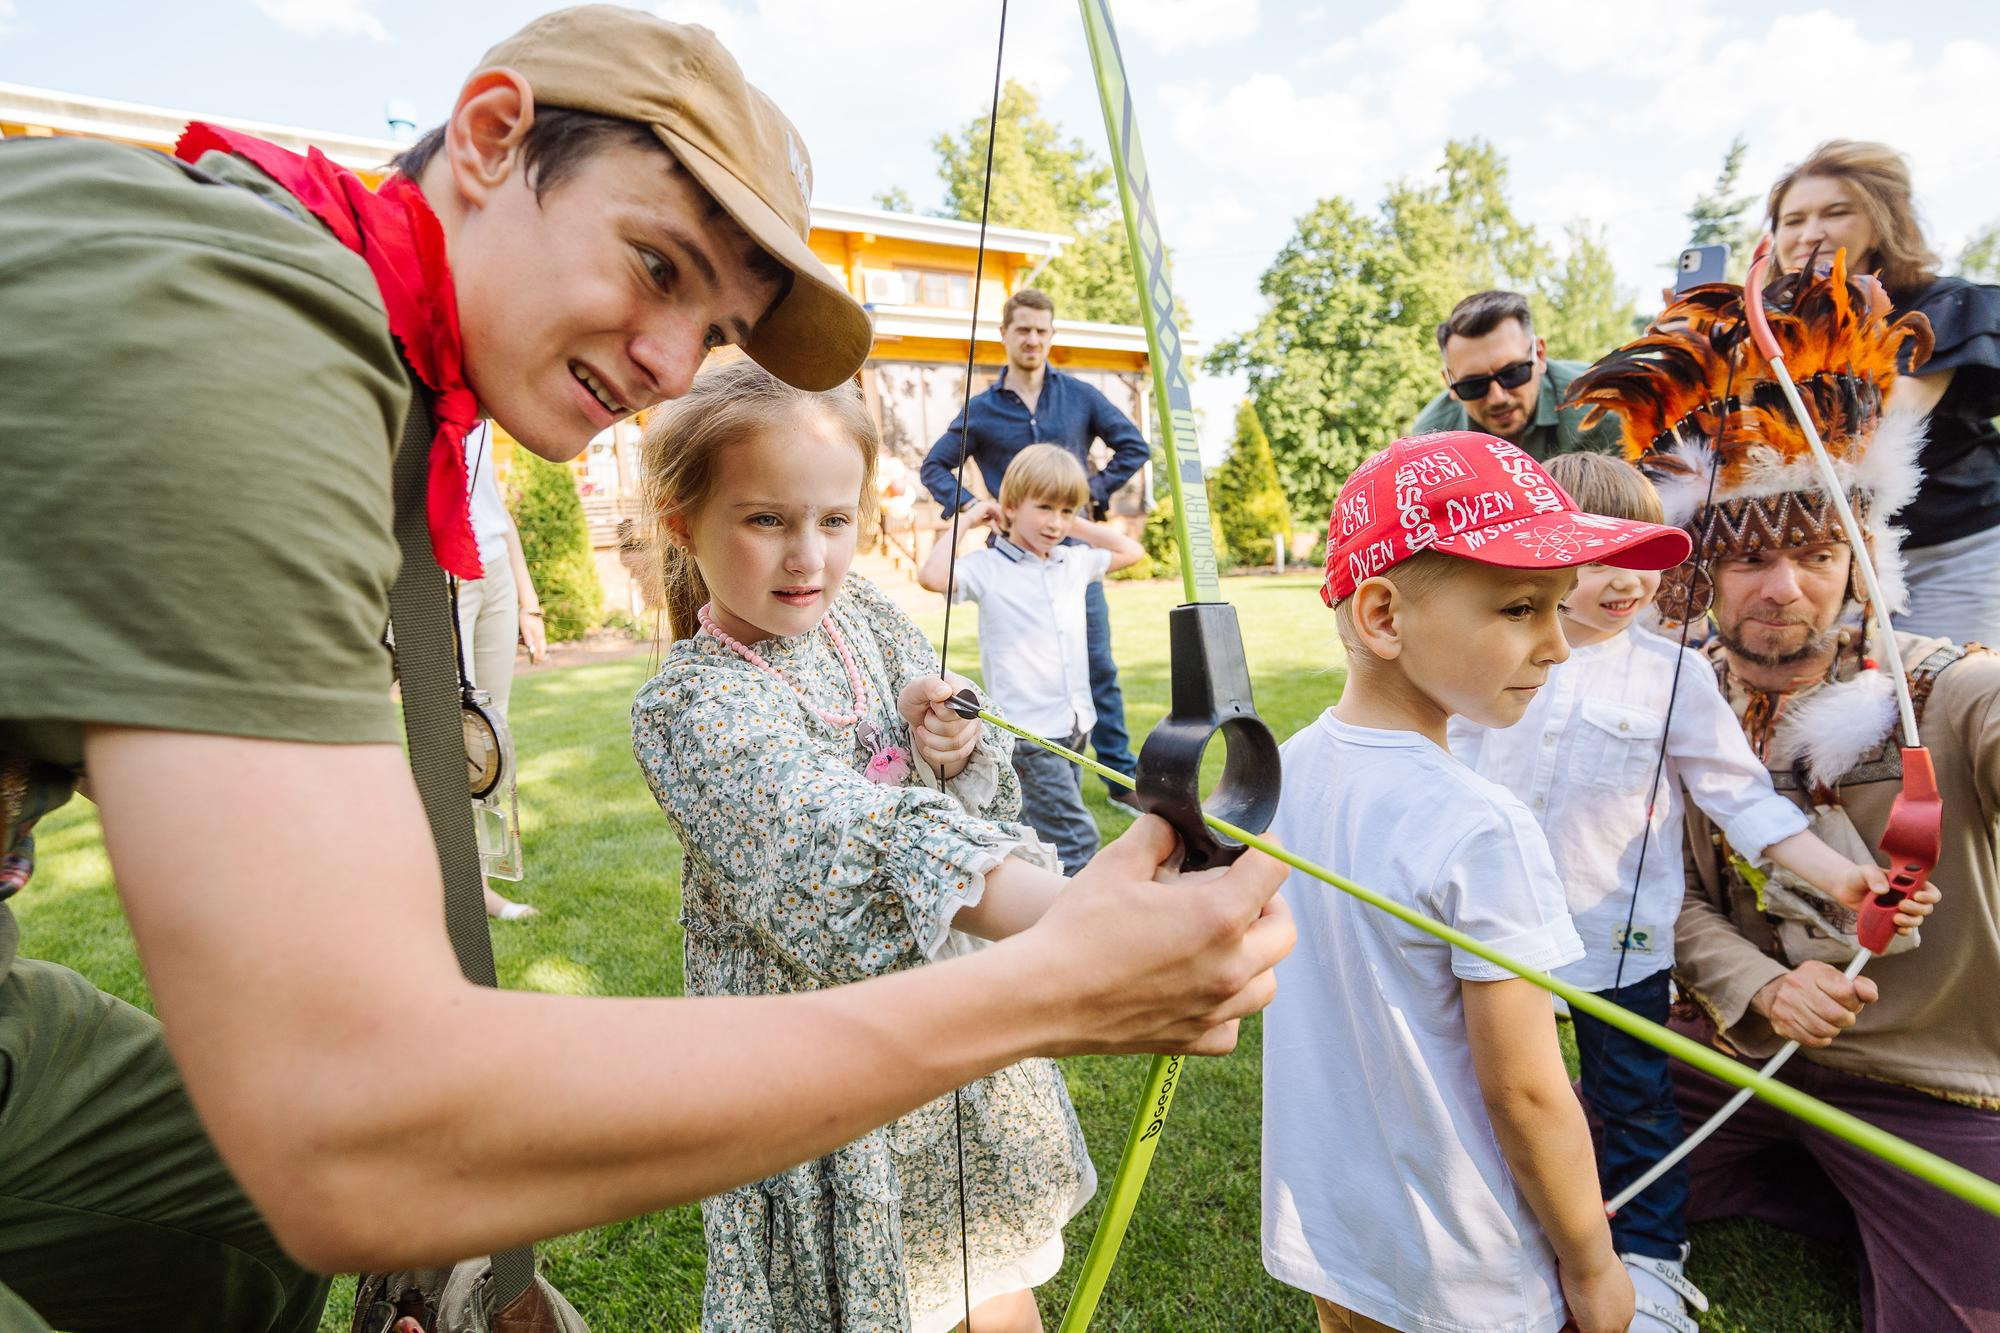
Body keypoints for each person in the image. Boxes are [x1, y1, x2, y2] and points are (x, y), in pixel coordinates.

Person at [0, 9, 1294, 1330]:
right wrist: (1056, 979)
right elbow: (353, 1116)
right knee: (295, 1182)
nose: (671, 364)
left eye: (712, 324)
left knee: (237, 1227)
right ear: (496, 138)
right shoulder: (232, 333)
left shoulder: (375, 392)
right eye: (658, 266)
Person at [1569, 261, 2000, 1331]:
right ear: (1695, 578)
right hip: (1725, 1057)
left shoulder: (1947, 692)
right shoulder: (1671, 705)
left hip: (1934, 1083)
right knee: (1539, 1187)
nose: (1782, 587)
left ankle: (1851, 1193)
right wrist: (1760, 986)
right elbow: (1646, 898)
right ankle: (1811, 1186)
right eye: (1747, 557)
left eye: (1814, 552)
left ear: (1857, 561)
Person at [633, 361, 1094, 1333]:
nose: (807, 556)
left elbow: (957, 748)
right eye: (765, 520)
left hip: (950, 1045)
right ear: (684, 524)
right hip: (823, 1077)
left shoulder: (863, 619)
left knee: (987, 1272)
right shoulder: (690, 704)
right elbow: (837, 833)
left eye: (833, 520)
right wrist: (1078, 922)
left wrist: (952, 734)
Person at [1450, 451, 1925, 1333]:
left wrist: (1844, 876)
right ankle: (1500, 1242)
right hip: (1489, 935)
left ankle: (1652, 1263)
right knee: (1490, 1090)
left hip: (1615, 944)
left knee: (1632, 1101)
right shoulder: (1484, 661)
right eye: (1593, 557)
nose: (1628, 578)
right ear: (1534, 557)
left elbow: (1742, 799)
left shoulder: (1676, 675)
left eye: (1643, 551)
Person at [1264, 430, 1693, 1333]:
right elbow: (1528, 1092)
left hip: (1338, 1236)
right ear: (1383, 617)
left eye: (1557, 607)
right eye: (1520, 609)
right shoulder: (1483, 825)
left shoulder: (1289, 766)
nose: (1558, 645)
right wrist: (1592, 1261)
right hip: (1470, 1274)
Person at [919, 289, 1149, 808]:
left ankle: (1118, 781)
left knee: (1097, 667)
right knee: (1025, 668)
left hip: (1072, 559)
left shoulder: (1080, 397)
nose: (1033, 339)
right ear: (1005, 334)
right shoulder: (981, 410)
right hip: (1012, 561)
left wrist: (1082, 500)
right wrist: (977, 506)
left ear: (1051, 336)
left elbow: (1134, 445)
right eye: (1023, 329)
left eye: (1043, 331)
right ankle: (1028, 771)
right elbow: (934, 466)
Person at [1767, 139, 2000, 645]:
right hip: (1830, 556)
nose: (1810, 234)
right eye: (1792, 220)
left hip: (1953, 552)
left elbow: (1883, 424)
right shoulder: (1764, 332)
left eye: (1836, 212)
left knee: (1950, 694)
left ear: (1882, 220)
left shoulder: (1944, 304)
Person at [918, 445, 1145, 874]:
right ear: (1010, 507)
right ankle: (1082, 929)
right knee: (1077, 840)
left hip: (1075, 725)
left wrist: (1066, 516)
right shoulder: (988, 568)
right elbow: (931, 576)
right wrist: (968, 517)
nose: (1057, 523)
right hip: (1030, 734)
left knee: (1042, 836)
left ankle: (1029, 904)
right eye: (1044, 507)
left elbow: (1131, 550)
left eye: (1067, 511)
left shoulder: (1071, 562)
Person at [458, 418, 548, 920]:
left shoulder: (478, 407)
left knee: (491, 736)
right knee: (451, 735)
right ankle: (454, 884)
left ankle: (479, 884)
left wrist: (526, 599)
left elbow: (492, 502)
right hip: (438, 568)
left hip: (493, 567)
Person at [1410, 290, 1624, 460]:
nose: (1498, 398)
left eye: (1512, 374)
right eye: (1473, 386)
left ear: (1539, 355)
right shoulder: (1430, 442)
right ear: (1449, 383)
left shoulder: (1607, 407)